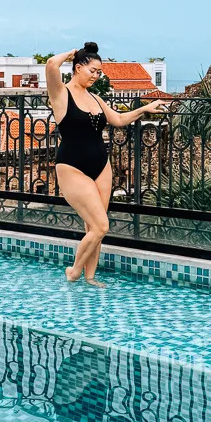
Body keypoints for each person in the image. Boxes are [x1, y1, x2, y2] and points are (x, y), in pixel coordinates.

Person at [46, 43, 167, 285]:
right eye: (92, 71)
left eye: (99, 72)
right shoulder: (60, 94)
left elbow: (118, 119)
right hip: (72, 166)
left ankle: (90, 276)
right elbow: (51, 64)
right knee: (101, 226)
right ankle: (74, 272)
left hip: (101, 165)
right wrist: (70, 54)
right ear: (78, 68)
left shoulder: (95, 98)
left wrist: (145, 108)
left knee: (93, 227)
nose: (96, 76)